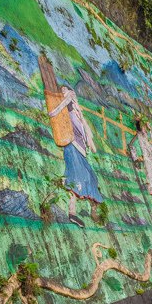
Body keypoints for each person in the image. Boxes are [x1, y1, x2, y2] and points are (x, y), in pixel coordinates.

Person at [50, 86, 103, 227]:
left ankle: (92, 209)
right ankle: (72, 212)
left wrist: (90, 141)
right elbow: (60, 106)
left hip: (81, 149)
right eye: (62, 91)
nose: (64, 92)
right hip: (72, 146)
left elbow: (85, 128)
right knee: (76, 177)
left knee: (91, 177)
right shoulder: (68, 106)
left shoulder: (76, 110)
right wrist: (53, 112)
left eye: (65, 90)